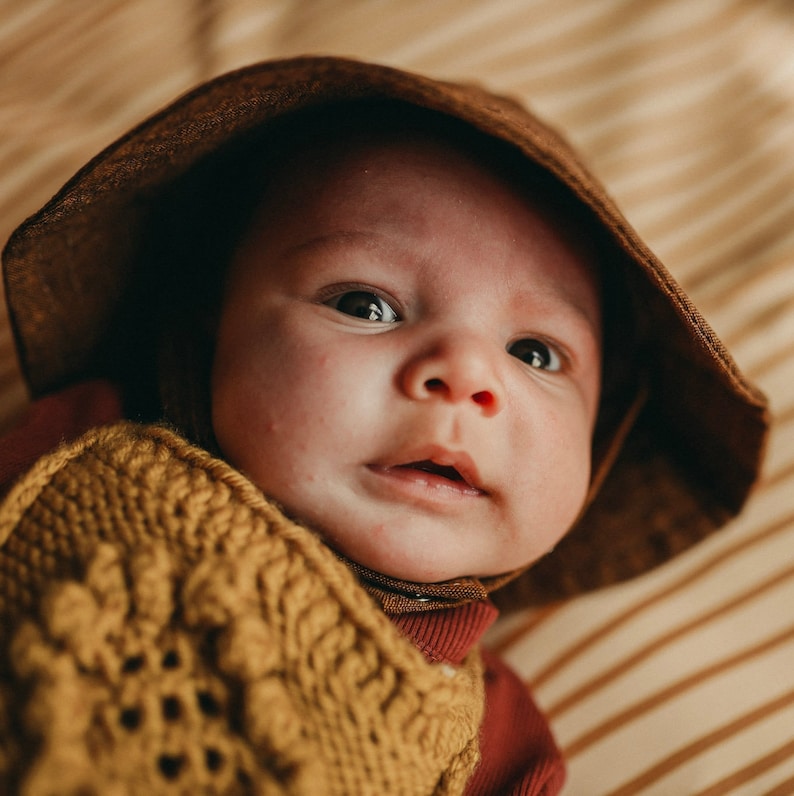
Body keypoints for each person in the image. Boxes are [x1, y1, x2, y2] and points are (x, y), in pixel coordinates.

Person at [0, 56, 768, 795]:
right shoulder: (82, 442)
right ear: (210, 327)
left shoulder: (496, 742)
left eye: (535, 353)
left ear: (600, 440)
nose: (465, 377)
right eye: (366, 306)